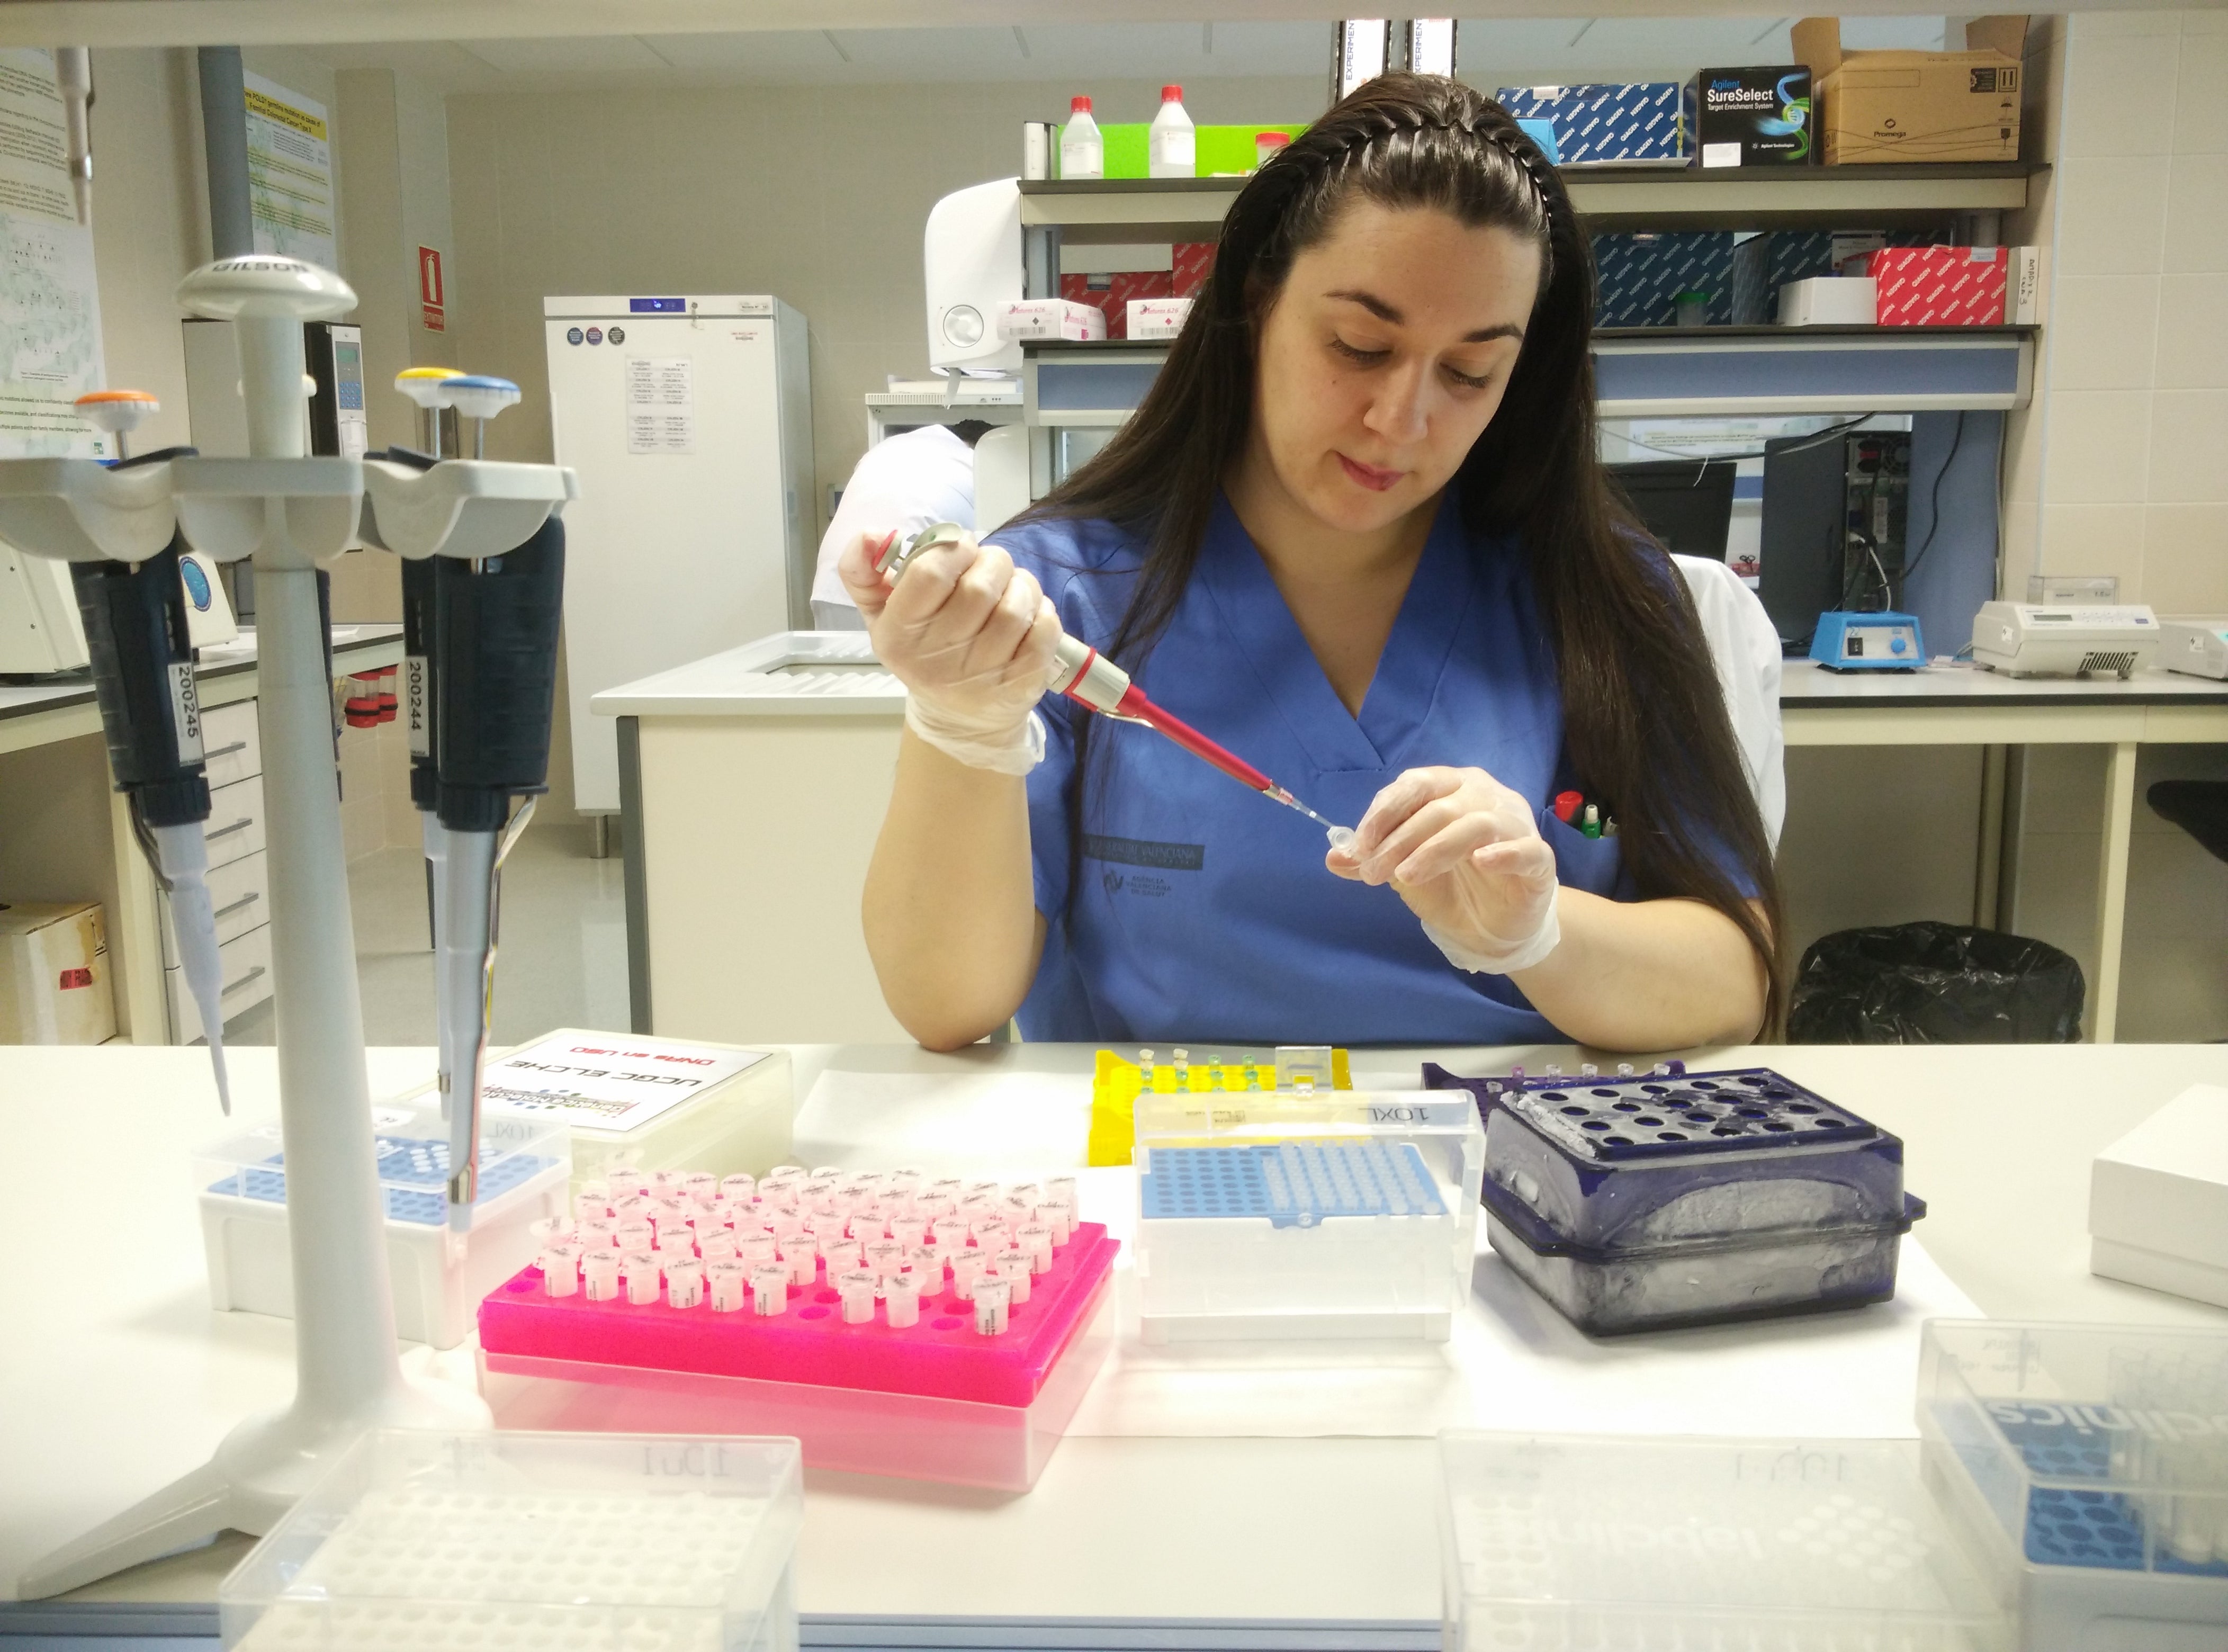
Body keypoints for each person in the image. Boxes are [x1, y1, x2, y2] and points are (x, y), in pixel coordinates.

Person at [837, 74, 1784, 1054]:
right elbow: (946, 1006)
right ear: (1256, 302)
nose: (1401, 421)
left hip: (1517, 1178)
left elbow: (1731, 981)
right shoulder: (1067, 594)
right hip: (1172, 1172)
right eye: (1359, 346)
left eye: (1468, 373)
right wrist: (961, 725)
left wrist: (1540, 934)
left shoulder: (1598, 595)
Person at [810, 421, 988, 630]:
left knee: (839, 661)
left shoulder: (887, 447)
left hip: (832, 582)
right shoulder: (978, 463)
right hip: (906, 588)